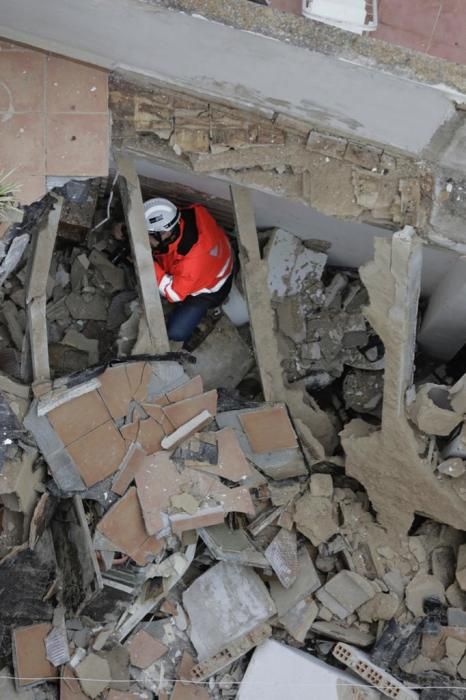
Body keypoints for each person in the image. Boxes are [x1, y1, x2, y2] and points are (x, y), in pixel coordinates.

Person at [114, 198, 234, 342]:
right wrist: (127, 229)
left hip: (212, 287)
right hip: (216, 256)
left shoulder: (192, 262)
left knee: (177, 333)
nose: (142, 238)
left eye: (146, 235)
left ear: (164, 234)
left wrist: (146, 262)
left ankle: (200, 319)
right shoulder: (178, 216)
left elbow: (173, 293)